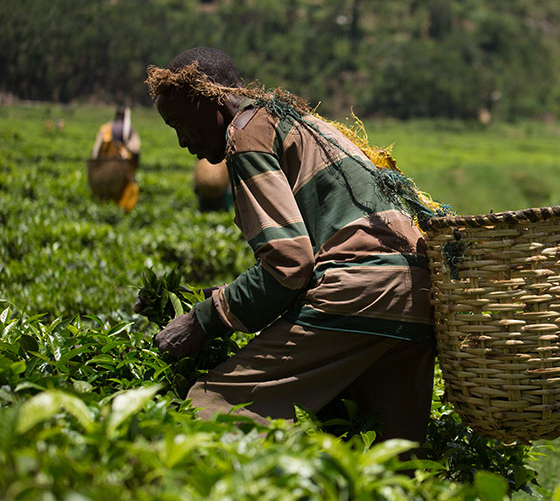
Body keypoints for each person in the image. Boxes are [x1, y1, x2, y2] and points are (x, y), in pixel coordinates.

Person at [143, 47, 446, 446]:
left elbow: (288, 265)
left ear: (207, 101)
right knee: (385, 457)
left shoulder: (247, 132)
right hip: (416, 298)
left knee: (212, 411)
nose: (183, 141)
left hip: (360, 288)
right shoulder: (301, 122)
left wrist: (202, 321)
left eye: (181, 123)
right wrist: (202, 300)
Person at [87, 105, 141, 211]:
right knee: (124, 193)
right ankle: (123, 211)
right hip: (123, 170)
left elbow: (96, 151)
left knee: (105, 194)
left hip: (106, 169)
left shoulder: (106, 128)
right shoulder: (130, 131)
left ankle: (106, 211)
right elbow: (136, 149)